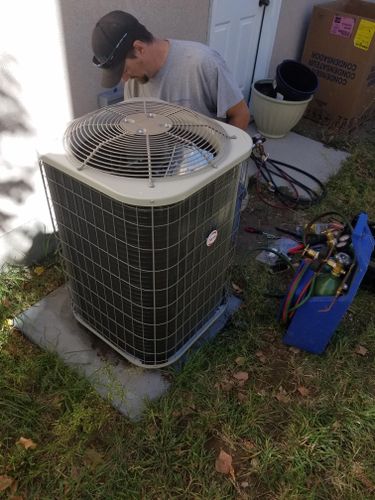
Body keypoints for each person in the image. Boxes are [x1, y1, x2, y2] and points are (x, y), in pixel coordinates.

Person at [91, 10, 250, 130]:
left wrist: (223, 162)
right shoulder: (133, 84)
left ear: (139, 48)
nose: (125, 80)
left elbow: (240, 115)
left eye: (125, 70)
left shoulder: (202, 63)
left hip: (208, 159)